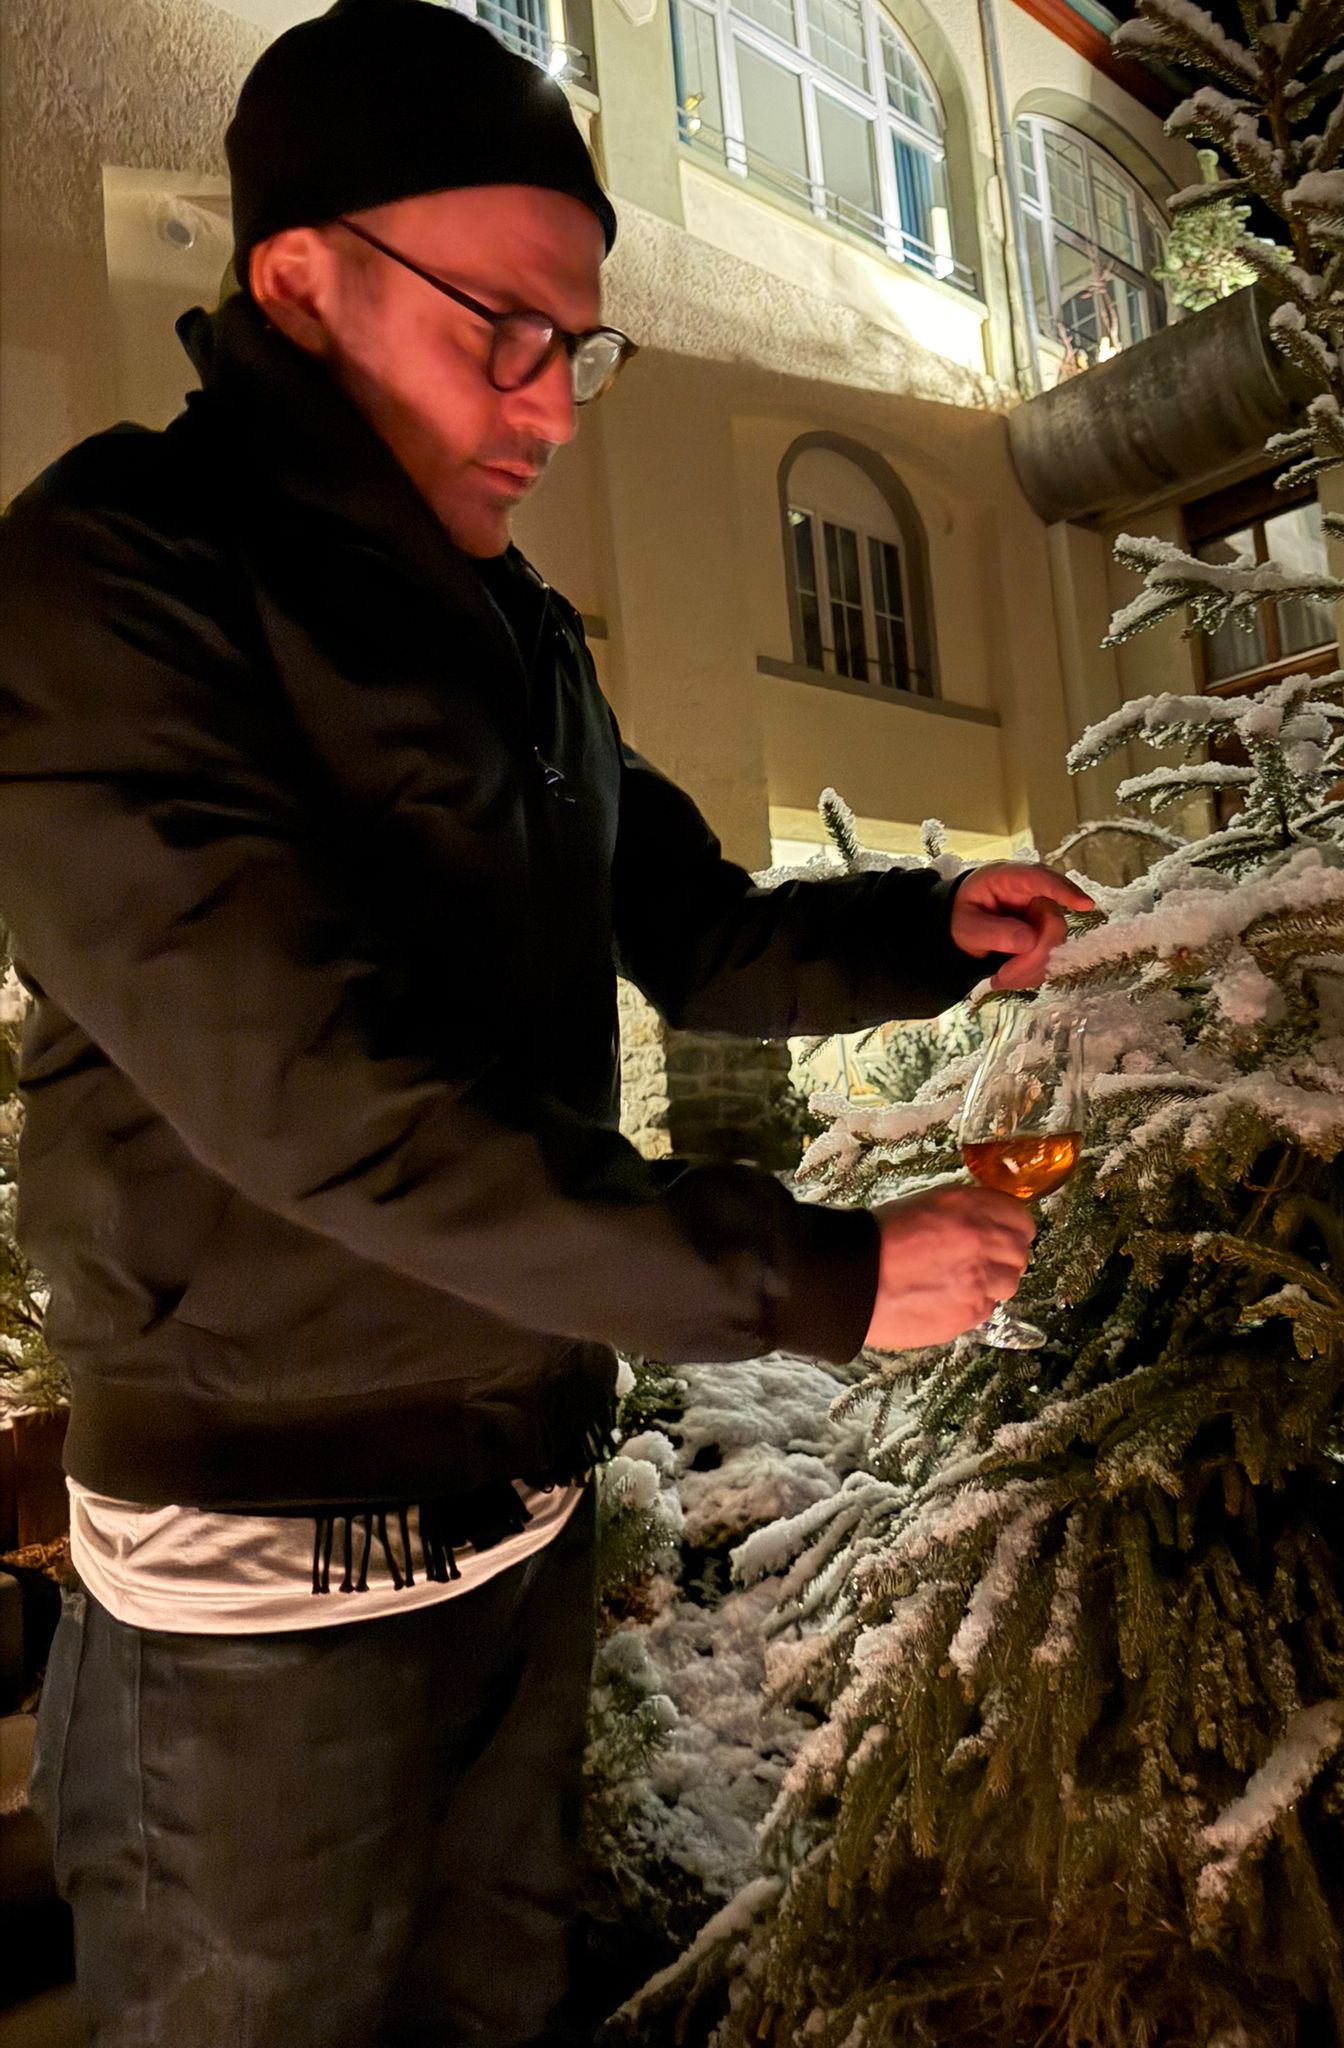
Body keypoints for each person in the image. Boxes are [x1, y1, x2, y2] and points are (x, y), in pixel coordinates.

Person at [0, 2, 1091, 2041]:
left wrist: (938, 927)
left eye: (577, 346)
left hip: (520, 1536)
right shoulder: (116, 574)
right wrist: (823, 1277)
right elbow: (319, 1105)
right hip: (258, 1612)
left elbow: (696, 930)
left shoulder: (515, 632)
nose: (553, 407)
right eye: (501, 327)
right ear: (297, 278)